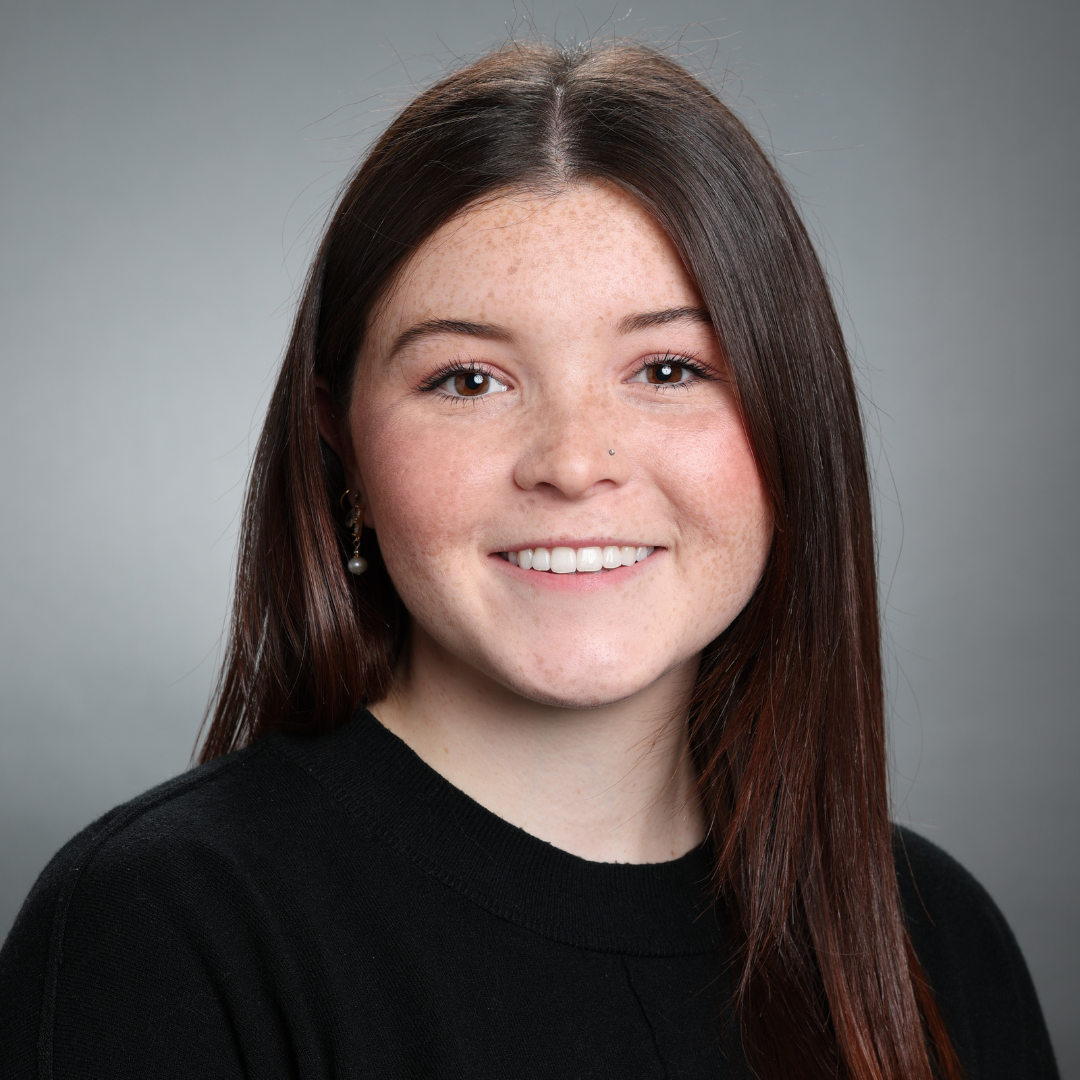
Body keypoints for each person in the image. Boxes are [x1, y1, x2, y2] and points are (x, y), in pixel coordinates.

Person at [0, 40, 1058, 1080]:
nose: (573, 463)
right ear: (341, 443)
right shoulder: (158, 931)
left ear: (795, 418)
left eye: (668, 368)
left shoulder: (936, 939)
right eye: (469, 380)